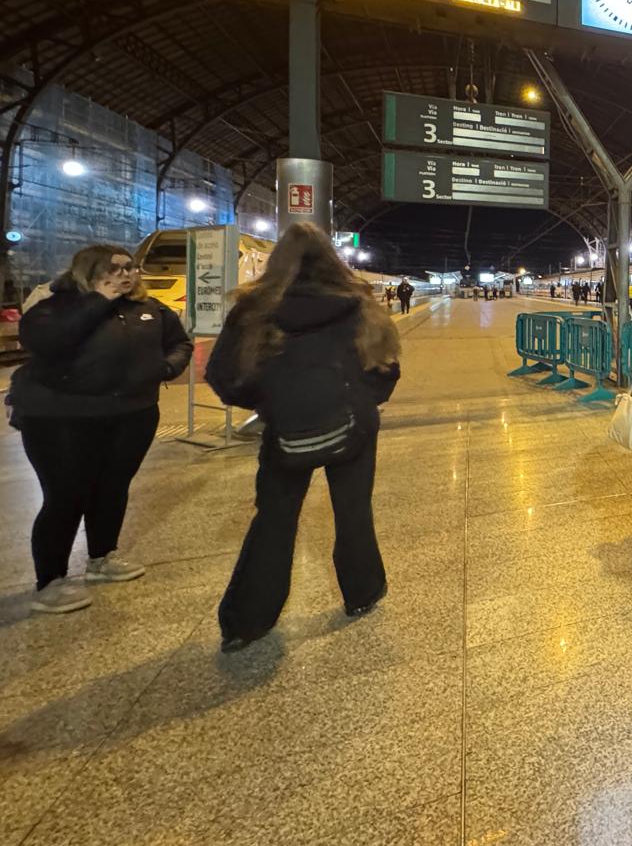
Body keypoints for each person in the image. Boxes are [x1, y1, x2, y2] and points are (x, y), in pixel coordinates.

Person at [206, 224, 401, 652]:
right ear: (332, 258)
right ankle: (362, 593)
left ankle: (247, 621)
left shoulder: (254, 308)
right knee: (353, 512)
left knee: (274, 519)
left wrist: (272, 405)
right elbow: (386, 365)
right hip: (354, 426)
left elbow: (223, 375)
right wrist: (362, 401)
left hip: (285, 431)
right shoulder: (359, 304)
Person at [12, 245, 193, 614]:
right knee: (65, 495)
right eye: (114, 269)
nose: (126, 275)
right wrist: (97, 301)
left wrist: (166, 368)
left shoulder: (149, 309)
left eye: (130, 268)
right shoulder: (55, 306)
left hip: (132, 414)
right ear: (88, 271)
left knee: (112, 487)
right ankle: (50, 580)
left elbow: (179, 343)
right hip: (60, 419)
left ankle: (101, 556)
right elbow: (45, 342)